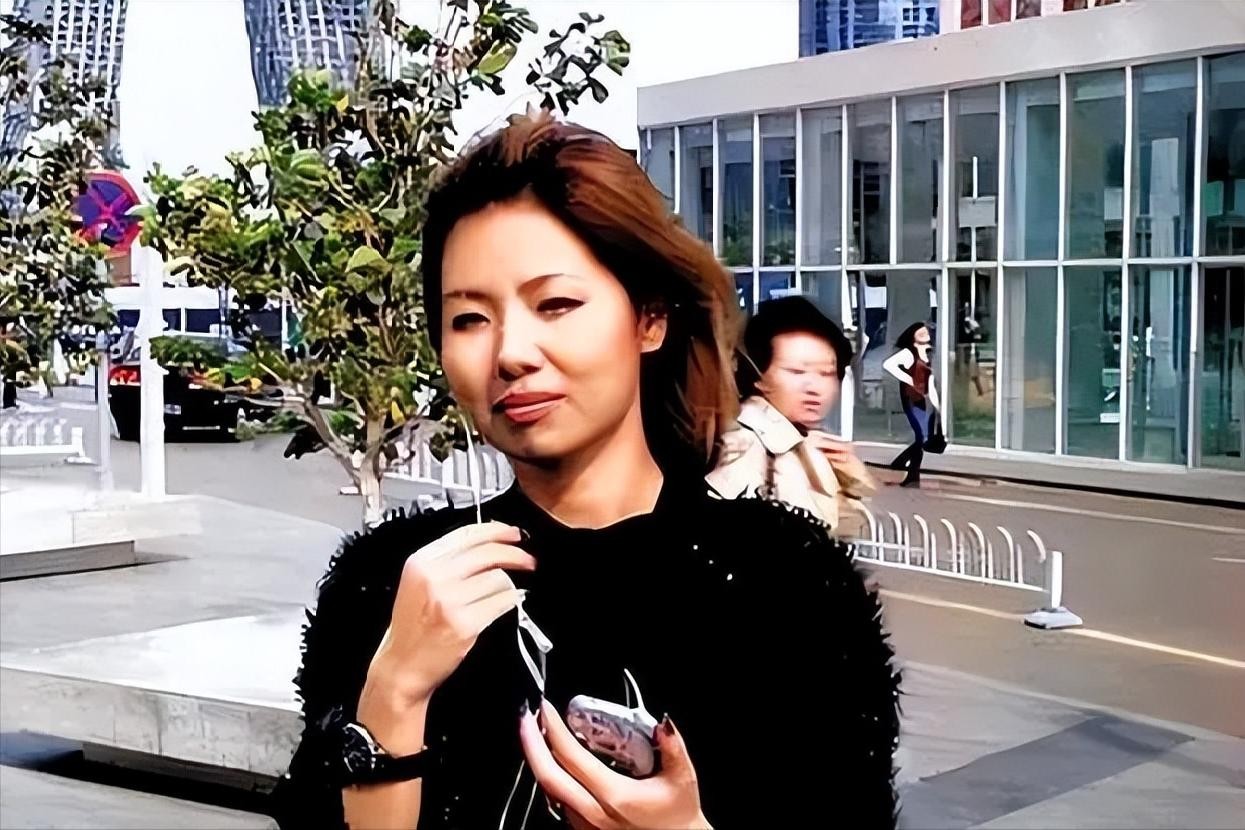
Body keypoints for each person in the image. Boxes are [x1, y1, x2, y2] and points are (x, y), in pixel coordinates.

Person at [272, 112, 901, 830]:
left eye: (557, 304)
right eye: (469, 319)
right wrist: (393, 695)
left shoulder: (788, 581)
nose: (511, 352)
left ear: (649, 318)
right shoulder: (392, 582)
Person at [707, 296, 874, 536]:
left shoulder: (806, 443)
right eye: (796, 371)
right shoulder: (746, 445)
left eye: (826, 373)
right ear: (757, 376)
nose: (814, 387)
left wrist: (847, 481)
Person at [883, 322, 940, 488]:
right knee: (921, 436)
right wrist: (909, 379)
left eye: (925, 331)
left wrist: (937, 406)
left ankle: (903, 465)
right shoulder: (908, 353)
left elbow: (930, 382)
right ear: (912, 336)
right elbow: (888, 365)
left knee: (922, 437)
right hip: (910, 398)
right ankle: (911, 475)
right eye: (919, 332)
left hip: (923, 399)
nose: (924, 333)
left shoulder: (929, 353)